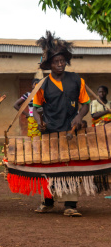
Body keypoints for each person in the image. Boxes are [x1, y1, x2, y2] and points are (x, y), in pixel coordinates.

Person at [33, 31, 90, 217]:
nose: (60, 64)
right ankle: (48, 202)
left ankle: (70, 205)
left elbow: (86, 104)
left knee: (71, 167)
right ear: (49, 65)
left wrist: (79, 117)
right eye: (56, 62)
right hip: (50, 131)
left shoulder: (77, 80)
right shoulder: (42, 84)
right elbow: (36, 109)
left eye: (62, 61)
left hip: (71, 131)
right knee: (50, 168)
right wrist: (40, 122)